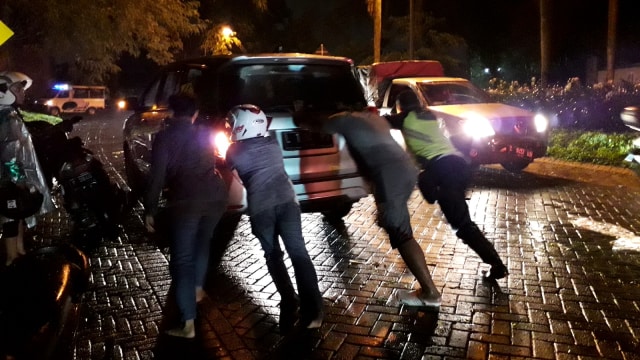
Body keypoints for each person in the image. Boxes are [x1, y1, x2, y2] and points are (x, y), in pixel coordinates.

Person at [294, 108, 441, 308]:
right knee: (391, 223)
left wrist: (300, 118)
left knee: (399, 232)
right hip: (405, 171)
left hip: (389, 176)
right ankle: (414, 266)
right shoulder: (372, 117)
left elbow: (320, 124)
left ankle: (430, 293)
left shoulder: (344, 119)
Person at [384, 90, 508, 280]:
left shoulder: (404, 118)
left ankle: (497, 265)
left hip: (443, 170)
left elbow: (385, 121)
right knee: (443, 201)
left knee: (462, 225)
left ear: (401, 106)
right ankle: (444, 201)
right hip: (457, 165)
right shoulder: (428, 115)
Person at [225, 104, 324, 331]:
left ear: (241, 125)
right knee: (299, 254)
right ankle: (314, 311)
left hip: (262, 209)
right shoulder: (272, 142)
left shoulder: (234, 151)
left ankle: (289, 299)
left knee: (272, 255)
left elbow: (233, 174)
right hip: (288, 202)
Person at [144, 93, 228, 338]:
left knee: (181, 259)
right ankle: (198, 288)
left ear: (171, 113)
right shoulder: (204, 133)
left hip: (187, 199)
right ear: (194, 114)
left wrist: (150, 208)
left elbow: (157, 177)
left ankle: (188, 324)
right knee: (203, 241)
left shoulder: (164, 137)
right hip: (216, 196)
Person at [0, 71, 54, 266]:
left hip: (10, 178)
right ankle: (11, 258)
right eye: (18, 88)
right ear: (4, 91)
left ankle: (20, 251)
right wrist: (18, 180)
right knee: (10, 218)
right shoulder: (6, 116)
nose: (23, 92)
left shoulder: (10, 113)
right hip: (8, 179)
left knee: (17, 215)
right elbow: (9, 153)